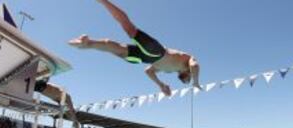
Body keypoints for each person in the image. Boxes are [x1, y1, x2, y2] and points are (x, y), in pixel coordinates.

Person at [69, 0, 202, 96]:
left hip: (144, 58)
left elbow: (148, 71)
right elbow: (195, 66)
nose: (185, 79)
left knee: (117, 50)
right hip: (157, 51)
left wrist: (161, 85)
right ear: (189, 73)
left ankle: (88, 43)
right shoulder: (188, 59)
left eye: (185, 80)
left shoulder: (169, 70)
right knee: (129, 28)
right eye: (187, 79)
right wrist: (196, 82)